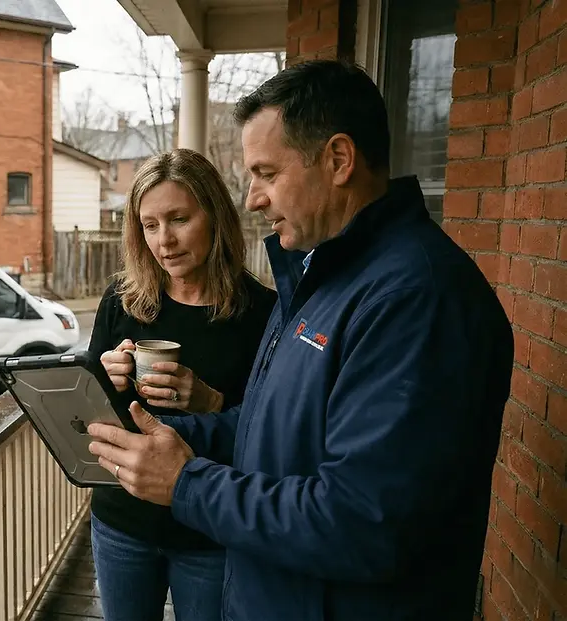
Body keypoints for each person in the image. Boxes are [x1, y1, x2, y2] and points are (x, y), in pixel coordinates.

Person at [87, 59, 514, 620]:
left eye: (266, 173)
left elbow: (363, 521)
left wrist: (186, 483)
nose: (253, 198)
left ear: (338, 160)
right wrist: (164, 434)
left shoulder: (416, 300)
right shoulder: (324, 278)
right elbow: (271, 428)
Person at [87, 148, 277, 621]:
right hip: (122, 521)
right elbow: (89, 414)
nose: (164, 241)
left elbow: (273, 432)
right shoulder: (122, 301)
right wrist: (103, 380)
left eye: (179, 219)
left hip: (208, 531)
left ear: (214, 215)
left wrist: (212, 401)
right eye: (149, 225)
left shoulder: (262, 311)